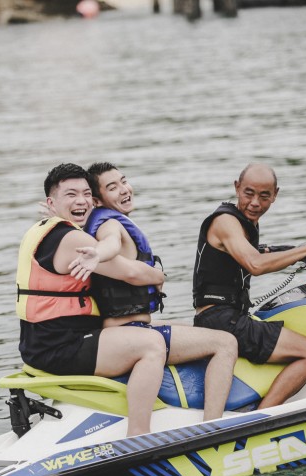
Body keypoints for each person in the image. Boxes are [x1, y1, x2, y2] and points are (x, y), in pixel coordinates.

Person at [17, 163, 169, 437]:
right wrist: (160, 276)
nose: (81, 201)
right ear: (52, 202)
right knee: (152, 345)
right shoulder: (73, 239)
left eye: (86, 194)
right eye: (71, 195)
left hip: (41, 344)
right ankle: (139, 436)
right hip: (63, 347)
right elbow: (132, 273)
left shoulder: (45, 229)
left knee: (161, 328)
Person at [83, 162, 238, 422]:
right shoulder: (108, 224)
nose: (124, 190)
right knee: (226, 343)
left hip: (130, 327)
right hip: (129, 331)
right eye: (113, 187)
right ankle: (212, 425)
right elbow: (109, 244)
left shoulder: (100, 221)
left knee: (198, 327)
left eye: (123, 181)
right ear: (98, 201)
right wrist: (99, 253)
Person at [193, 162, 306, 409]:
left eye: (264, 196)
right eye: (249, 193)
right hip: (220, 320)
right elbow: (256, 265)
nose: (255, 202)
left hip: (230, 316)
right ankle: (263, 418)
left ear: (275, 195)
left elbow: (253, 254)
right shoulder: (226, 221)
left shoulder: (247, 223)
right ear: (237, 188)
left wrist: (291, 251)